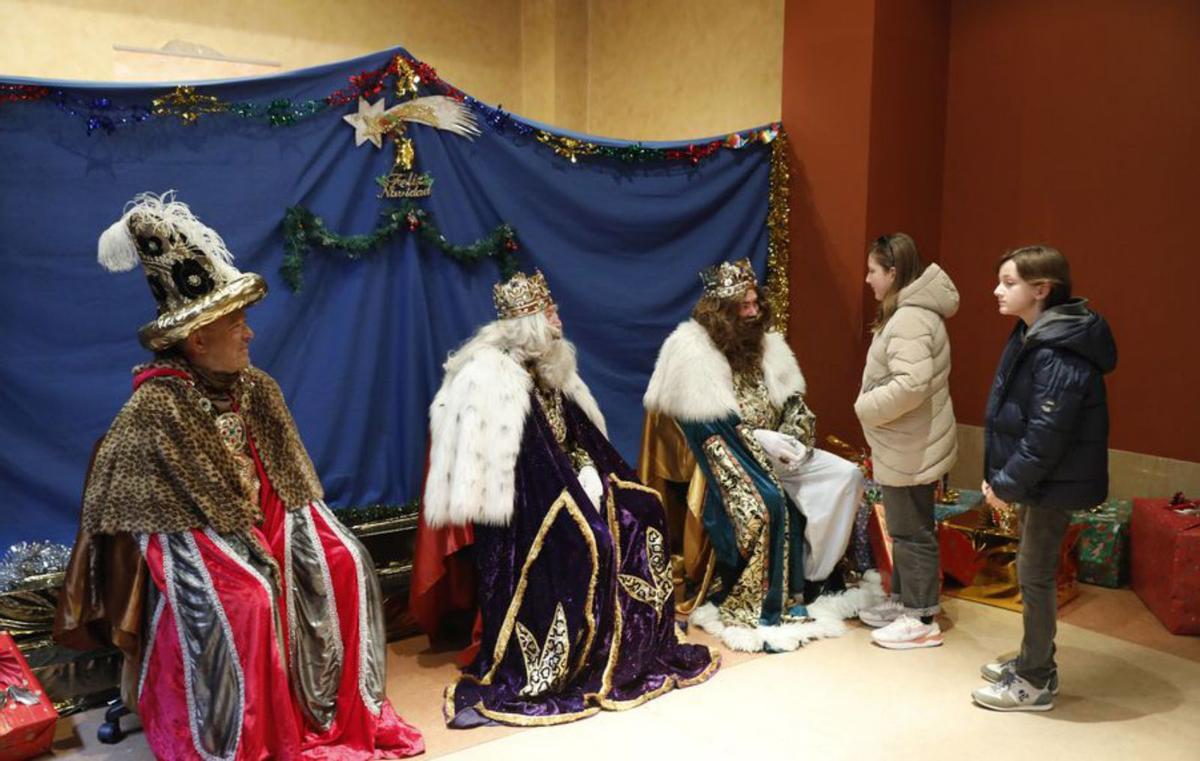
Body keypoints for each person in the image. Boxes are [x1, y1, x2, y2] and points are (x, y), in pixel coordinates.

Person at [54, 191, 424, 759]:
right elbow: (135, 513)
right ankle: (243, 737)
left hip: (256, 526)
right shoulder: (155, 406)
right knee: (247, 597)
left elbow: (290, 486)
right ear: (198, 341)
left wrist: (292, 540)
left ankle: (321, 711)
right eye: (237, 324)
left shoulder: (258, 388)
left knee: (344, 561)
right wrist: (246, 552)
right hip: (189, 541)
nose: (250, 334)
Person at [424, 269, 717, 727]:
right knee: (591, 540)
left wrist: (588, 472)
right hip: (524, 514)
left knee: (644, 511)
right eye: (550, 311)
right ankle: (581, 657)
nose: (559, 316)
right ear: (530, 324)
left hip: (568, 486)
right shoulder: (491, 380)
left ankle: (637, 642)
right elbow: (518, 468)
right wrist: (573, 489)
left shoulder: (551, 368)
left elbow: (578, 438)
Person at [643, 258, 865, 653]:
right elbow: (707, 430)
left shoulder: (768, 344)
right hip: (728, 457)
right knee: (768, 503)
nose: (753, 312)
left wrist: (794, 439)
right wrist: (761, 441)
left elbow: (795, 402)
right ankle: (776, 595)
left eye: (754, 303)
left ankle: (813, 577)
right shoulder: (691, 350)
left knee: (846, 476)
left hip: (783, 451)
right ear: (721, 312)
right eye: (743, 307)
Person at [972, 245, 1115, 711]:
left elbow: (1046, 438)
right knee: (1032, 573)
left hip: (1054, 481)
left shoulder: (1060, 352)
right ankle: (1036, 660)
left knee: (1034, 575)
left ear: (1041, 289)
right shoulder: (1032, 333)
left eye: (1008, 282)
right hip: (1041, 479)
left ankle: (1035, 681)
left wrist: (1004, 484)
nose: (997, 290)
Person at [853, 233, 959, 650]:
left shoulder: (911, 318)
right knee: (905, 524)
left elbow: (911, 384)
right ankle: (906, 602)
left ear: (893, 273)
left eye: (873, 271)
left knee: (912, 529)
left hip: (911, 443)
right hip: (907, 440)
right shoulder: (907, 313)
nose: (867, 279)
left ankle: (920, 616)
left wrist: (866, 406)